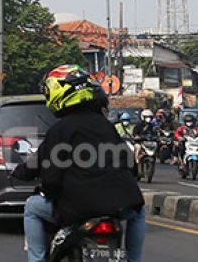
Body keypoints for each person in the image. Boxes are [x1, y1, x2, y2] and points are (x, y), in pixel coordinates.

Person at [15, 64, 145, 262]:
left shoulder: (59, 131)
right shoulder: (106, 127)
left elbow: (51, 180)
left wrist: (31, 180)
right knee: (138, 211)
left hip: (77, 207)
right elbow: (131, 166)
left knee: (32, 207)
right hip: (120, 204)